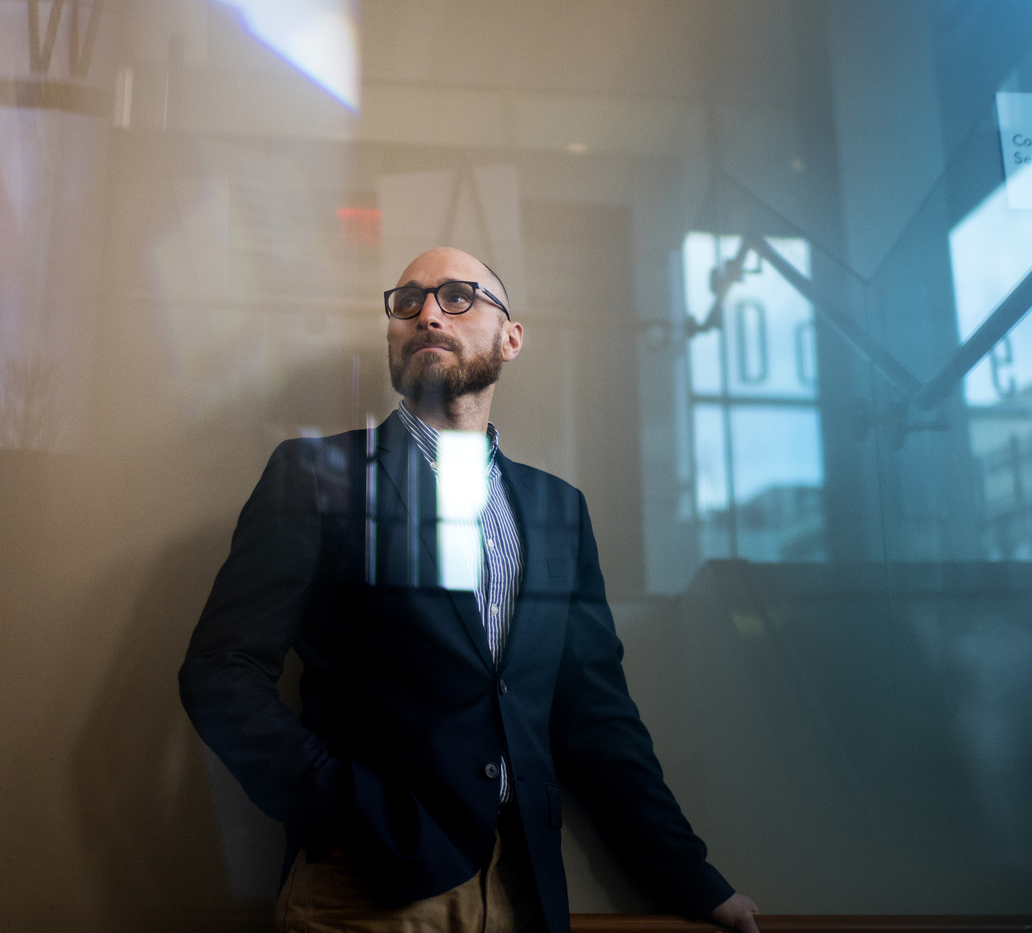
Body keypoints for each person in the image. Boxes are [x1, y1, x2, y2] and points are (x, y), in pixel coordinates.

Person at [180, 247, 761, 933]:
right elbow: (221, 672)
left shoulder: (558, 511)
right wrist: (342, 806)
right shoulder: (315, 474)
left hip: (523, 891)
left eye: (458, 295)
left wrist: (693, 881)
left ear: (511, 337)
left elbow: (597, 720)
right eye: (407, 301)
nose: (427, 312)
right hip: (364, 892)